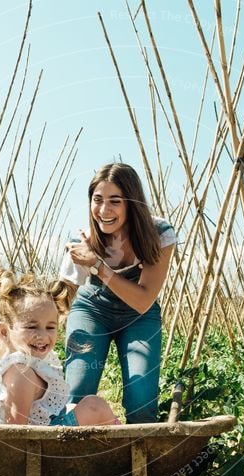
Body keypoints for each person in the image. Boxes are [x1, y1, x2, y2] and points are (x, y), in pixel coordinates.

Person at [59, 163, 177, 424]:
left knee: (141, 402)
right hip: (92, 309)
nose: (104, 210)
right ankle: (76, 460)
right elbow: (64, 294)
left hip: (138, 315)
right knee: (77, 392)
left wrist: (99, 266)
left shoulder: (158, 234)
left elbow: (144, 299)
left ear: (131, 203)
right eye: (97, 200)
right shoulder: (82, 239)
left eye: (115, 201)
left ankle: (137, 462)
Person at [0, 267, 119, 426]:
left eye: (50, 327)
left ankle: (118, 443)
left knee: (83, 405)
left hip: (45, 432)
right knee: (95, 407)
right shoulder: (20, 373)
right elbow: (15, 435)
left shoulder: (25, 365)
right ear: (4, 332)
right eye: (32, 327)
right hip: (40, 445)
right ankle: (125, 446)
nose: (43, 335)